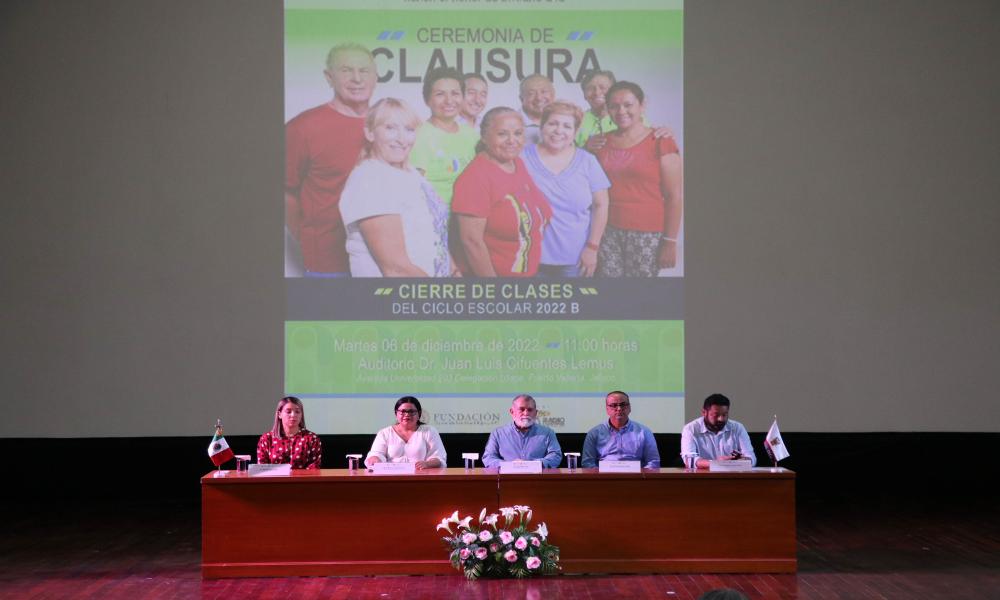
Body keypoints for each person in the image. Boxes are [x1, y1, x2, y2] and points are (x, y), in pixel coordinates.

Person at [285, 43, 378, 277]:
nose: (357, 78)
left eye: (364, 71)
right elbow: (285, 194)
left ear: (375, 76)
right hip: (328, 264)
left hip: (381, 262)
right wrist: (309, 239)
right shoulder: (303, 128)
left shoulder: (390, 124)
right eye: (346, 70)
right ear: (329, 77)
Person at [339, 98, 450, 277]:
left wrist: (453, 271)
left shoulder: (411, 173)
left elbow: (435, 232)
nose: (401, 139)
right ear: (369, 133)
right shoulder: (369, 179)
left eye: (409, 129)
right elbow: (396, 269)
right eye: (390, 128)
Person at [595, 81, 683, 277]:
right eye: (614, 106)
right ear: (608, 109)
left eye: (628, 105)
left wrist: (670, 242)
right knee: (610, 296)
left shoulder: (661, 140)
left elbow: (674, 196)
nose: (621, 111)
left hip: (647, 234)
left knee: (639, 297)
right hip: (606, 232)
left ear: (642, 106)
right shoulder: (600, 142)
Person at [453, 107, 553, 277]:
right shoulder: (475, 178)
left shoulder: (516, 163)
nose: (512, 140)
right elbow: (471, 242)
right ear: (484, 137)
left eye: (518, 133)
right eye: (502, 134)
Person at [522, 101, 610, 277]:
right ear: (542, 126)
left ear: (575, 132)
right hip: (528, 257)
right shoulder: (521, 157)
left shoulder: (587, 161)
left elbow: (601, 205)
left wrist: (592, 248)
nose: (558, 131)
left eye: (567, 126)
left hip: (576, 259)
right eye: (552, 123)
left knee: (574, 304)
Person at [409, 67, 480, 209]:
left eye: (455, 93)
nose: (449, 101)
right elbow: (413, 190)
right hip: (434, 221)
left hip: (467, 216)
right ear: (427, 99)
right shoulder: (419, 136)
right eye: (440, 94)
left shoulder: (472, 134)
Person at [582, 391, 660, 468]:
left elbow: (653, 462)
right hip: (604, 478)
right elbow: (587, 463)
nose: (619, 409)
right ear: (607, 409)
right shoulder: (594, 433)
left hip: (635, 478)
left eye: (623, 405)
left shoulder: (644, 432)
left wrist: (641, 477)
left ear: (629, 408)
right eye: (614, 405)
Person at [365, 396, 447, 469]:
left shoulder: (429, 431)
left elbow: (439, 457)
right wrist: (375, 458)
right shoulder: (384, 433)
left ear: (419, 414)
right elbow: (376, 454)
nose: (407, 415)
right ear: (396, 413)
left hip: (420, 476)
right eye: (403, 411)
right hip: (391, 477)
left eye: (411, 411)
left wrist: (427, 464)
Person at [482, 395, 562, 468]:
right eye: (521, 409)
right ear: (512, 412)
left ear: (536, 413)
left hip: (537, 480)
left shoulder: (547, 433)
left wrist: (535, 464)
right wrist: (509, 466)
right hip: (507, 480)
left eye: (530, 410)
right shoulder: (498, 434)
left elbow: (555, 455)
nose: (526, 413)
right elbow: (488, 457)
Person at [681, 394, 756, 469]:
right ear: (704, 412)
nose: (721, 419)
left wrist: (740, 461)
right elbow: (690, 460)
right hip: (702, 478)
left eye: (724, 414)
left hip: (732, 476)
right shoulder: (690, 429)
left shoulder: (738, 428)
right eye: (716, 415)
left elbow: (751, 458)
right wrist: (716, 464)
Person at [256, 396, 322, 469]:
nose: (293, 415)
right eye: (288, 412)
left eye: (297, 412)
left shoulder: (312, 438)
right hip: (274, 480)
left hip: (302, 480)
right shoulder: (266, 439)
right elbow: (262, 470)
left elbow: (314, 468)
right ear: (279, 414)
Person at [575, 70, 617, 151]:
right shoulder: (576, 119)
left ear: (614, 91)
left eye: (603, 87)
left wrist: (605, 117)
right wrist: (585, 148)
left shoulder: (631, 117)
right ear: (584, 94)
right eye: (590, 88)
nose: (597, 93)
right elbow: (566, 155)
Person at [518, 74, 555, 145]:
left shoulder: (564, 122)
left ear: (553, 95)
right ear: (521, 98)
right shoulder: (511, 123)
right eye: (531, 93)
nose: (539, 98)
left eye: (544, 92)